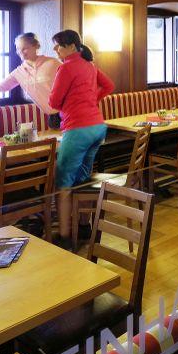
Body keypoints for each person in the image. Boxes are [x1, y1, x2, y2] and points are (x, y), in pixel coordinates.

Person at [47, 29, 115, 245]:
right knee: (82, 179)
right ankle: (84, 227)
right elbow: (109, 86)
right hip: (97, 127)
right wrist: (93, 100)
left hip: (78, 129)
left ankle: (65, 235)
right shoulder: (89, 65)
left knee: (63, 183)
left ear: (71, 46)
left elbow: (54, 102)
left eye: (58, 46)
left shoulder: (66, 67)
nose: (56, 50)